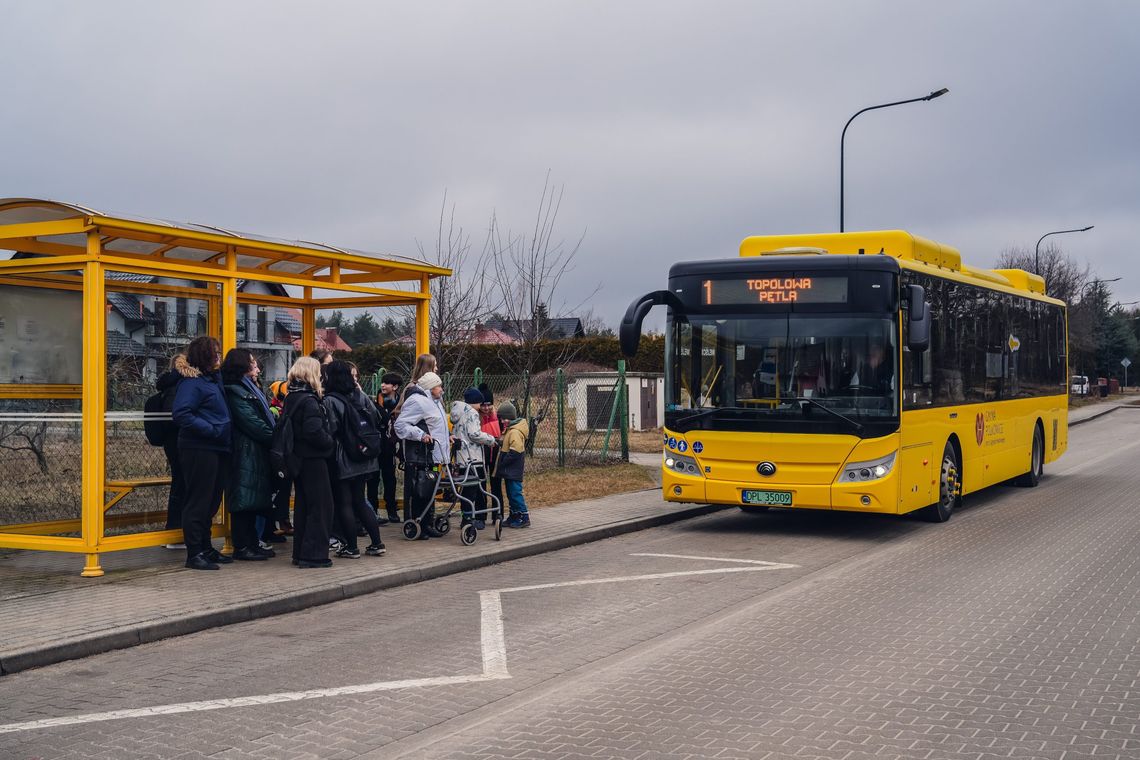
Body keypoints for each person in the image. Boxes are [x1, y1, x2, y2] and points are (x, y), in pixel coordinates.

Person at [171, 336, 233, 570]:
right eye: (214, 353)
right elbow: (182, 414)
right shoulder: (192, 383)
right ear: (204, 356)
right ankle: (194, 552)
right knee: (199, 500)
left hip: (217, 447)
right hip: (199, 448)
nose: (218, 357)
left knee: (212, 501)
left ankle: (206, 548)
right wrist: (211, 430)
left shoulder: (211, 380)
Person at [323, 360, 385, 558]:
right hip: (365, 455)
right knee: (360, 500)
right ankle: (377, 543)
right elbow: (376, 417)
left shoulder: (330, 400)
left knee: (345, 503)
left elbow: (330, 429)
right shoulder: (360, 394)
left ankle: (351, 546)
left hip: (344, 457)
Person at [220, 349, 276, 561]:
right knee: (244, 500)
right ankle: (242, 546)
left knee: (252, 500)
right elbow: (253, 423)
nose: (257, 369)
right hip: (245, 452)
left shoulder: (248, 389)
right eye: (253, 364)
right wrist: (275, 437)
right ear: (241, 366)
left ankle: (252, 543)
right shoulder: (235, 391)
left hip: (254, 453)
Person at [283, 356, 337, 568]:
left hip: (298, 459)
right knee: (321, 507)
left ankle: (300, 552)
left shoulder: (291, 397)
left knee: (304, 506)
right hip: (314, 459)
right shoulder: (310, 400)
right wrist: (329, 442)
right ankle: (314, 554)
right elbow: (313, 431)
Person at [394, 371, 450, 538]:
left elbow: (436, 425)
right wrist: (420, 435)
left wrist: (448, 436)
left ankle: (427, 524)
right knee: (419, 491)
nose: (441, 389)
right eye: (438, 386)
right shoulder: (417, 401)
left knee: (429, 491)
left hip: (433, 454)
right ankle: (416, 525)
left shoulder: (435, 402)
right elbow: (401, 425)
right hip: (421, 455)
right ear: (431, 387)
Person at [451, 387, 496, 529]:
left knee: (466, 490)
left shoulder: (457, 412)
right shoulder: (472, 413)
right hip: (473, 458)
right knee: (476, 489)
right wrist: (490, 439)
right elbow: (474, 434)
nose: (481, 406)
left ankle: (466, 516)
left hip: (461, 458)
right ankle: (476, 517)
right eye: (480, 403)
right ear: (475, 402)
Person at [155, 354, 187, 549]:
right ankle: (176, 531)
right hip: (179, 442)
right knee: (182, 485)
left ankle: (175, 530)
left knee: (179, 484)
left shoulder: (168, 384)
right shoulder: (179, 385)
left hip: (172, 442)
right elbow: (176, 416)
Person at [368, 372, 403, 525]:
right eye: (382, 382)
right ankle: (372, 511)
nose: (383, 385)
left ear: (395, 387)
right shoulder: (375, 404)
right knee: (373, 480)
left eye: (387, 383)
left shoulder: (401, 403)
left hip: (389, 447)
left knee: (390, 480)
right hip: (375, 447)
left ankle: (392, 510)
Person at [496, 401, 531, 528]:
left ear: (512, 418)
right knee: (510, 494)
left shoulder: (515, 432)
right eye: (501, 419)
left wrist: (503, 463)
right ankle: (514, 515)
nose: (503, 421)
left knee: (515, 493)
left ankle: (523, 516)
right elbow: (507, 443)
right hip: (509, 470)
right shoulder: (510, 430)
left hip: (513, 469)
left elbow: (515, 451)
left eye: (505, 418)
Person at [477, 383, 505, 514]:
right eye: (483, 405)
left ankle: (497, 513)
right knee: (480, 485)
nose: (486, 408)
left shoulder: (498, 417)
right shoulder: (476, 418)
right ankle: (480, 515)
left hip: (496, 455)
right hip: (481, 455)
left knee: (496, 485)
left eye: (489, 405)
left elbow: (504, 433)